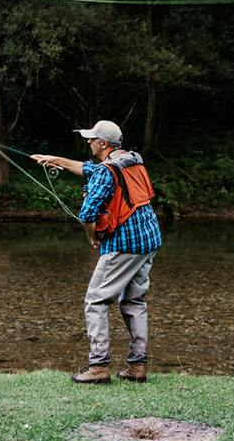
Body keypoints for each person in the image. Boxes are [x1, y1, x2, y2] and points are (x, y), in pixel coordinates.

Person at [31, 120, 162, 384]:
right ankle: (137, 366)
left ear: (103, 143)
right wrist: (54, 159)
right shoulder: (130, 160)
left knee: (96, 301)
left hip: (125, 243)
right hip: (149, 239)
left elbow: (87, 214)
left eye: (91, 139)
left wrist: (94, 238)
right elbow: (89, 169)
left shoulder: (107, 170)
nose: (87, 142)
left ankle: (99, 367)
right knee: (134, 301)